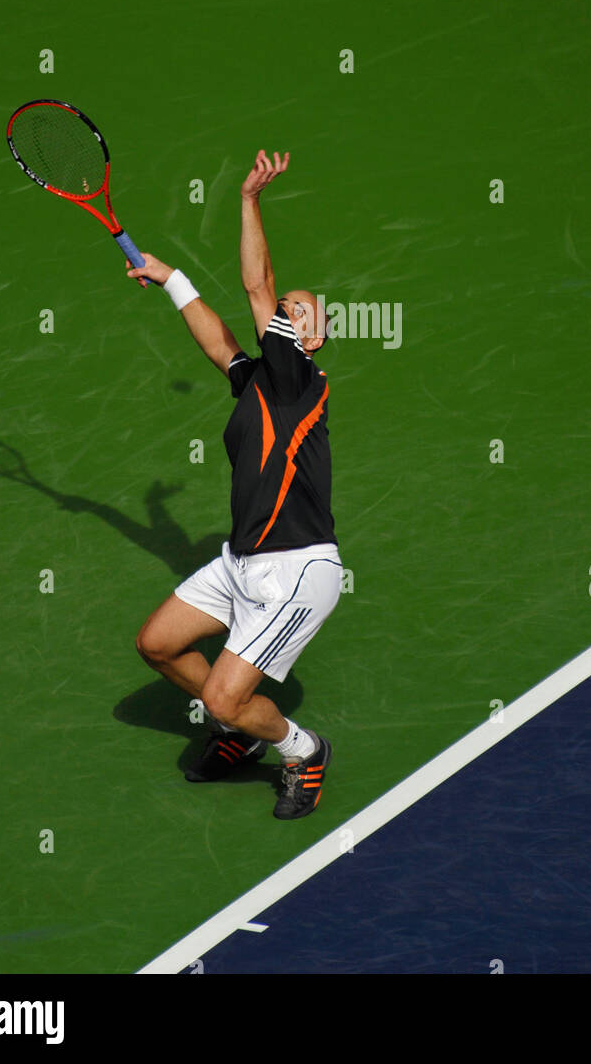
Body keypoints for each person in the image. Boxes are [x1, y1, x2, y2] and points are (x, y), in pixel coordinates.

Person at [128, 149, 341, 819]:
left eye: (301, 311)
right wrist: (172, 278)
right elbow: (219, 344)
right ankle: (239, 735)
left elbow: (256, 290)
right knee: (157, 643)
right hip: (241, 560)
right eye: (290, 307)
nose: (289, 310)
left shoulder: (297, 380)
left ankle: (303, 749)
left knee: (222, 695)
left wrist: (249, 200)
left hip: (297, 567)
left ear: (311, 339)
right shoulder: (259, 384)